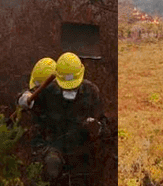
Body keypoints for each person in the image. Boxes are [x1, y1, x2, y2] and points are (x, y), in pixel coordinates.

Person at [29, 52, 107, 185]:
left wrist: (97, 127)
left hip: (81, 152)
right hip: (54, 147)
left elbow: (104, 123)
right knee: (52, 166)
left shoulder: (92, 92)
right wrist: (23, 98)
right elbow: (28, 99)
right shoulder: (48, 91)